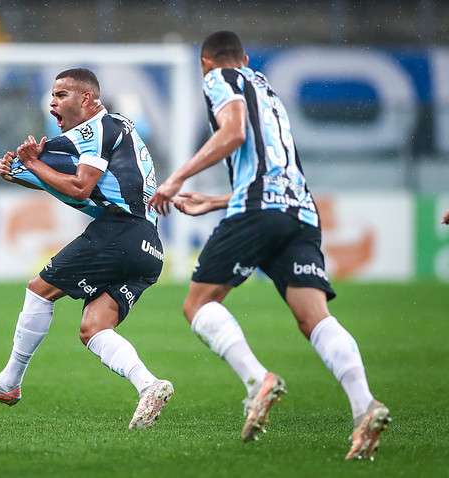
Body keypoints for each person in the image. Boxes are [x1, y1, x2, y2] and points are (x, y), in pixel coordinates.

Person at [149, 31, 390, 460]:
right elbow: (274, 166)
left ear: (207, 62)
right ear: (244, 57)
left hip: (259, 209)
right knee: (314, 317)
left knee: (199, 302)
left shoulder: (220, 78)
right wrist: (218, 200)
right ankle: (364, 405)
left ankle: (257, 380)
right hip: (301, 211)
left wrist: (177, 178)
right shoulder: (268, 89)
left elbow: (235, 133)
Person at [0, 68, 173, 430]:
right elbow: (88, 195)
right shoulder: (114, 129)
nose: (53, 102)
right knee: (94, 328)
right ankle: (149, 385)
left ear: (86, 99)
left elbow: (80, 189)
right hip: (148, 247)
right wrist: (28, 173)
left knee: (39, 291)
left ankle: (8, 383)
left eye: (61, 95)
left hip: (120, 232)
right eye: (52, 96)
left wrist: (31, 165)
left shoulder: (96, 128)